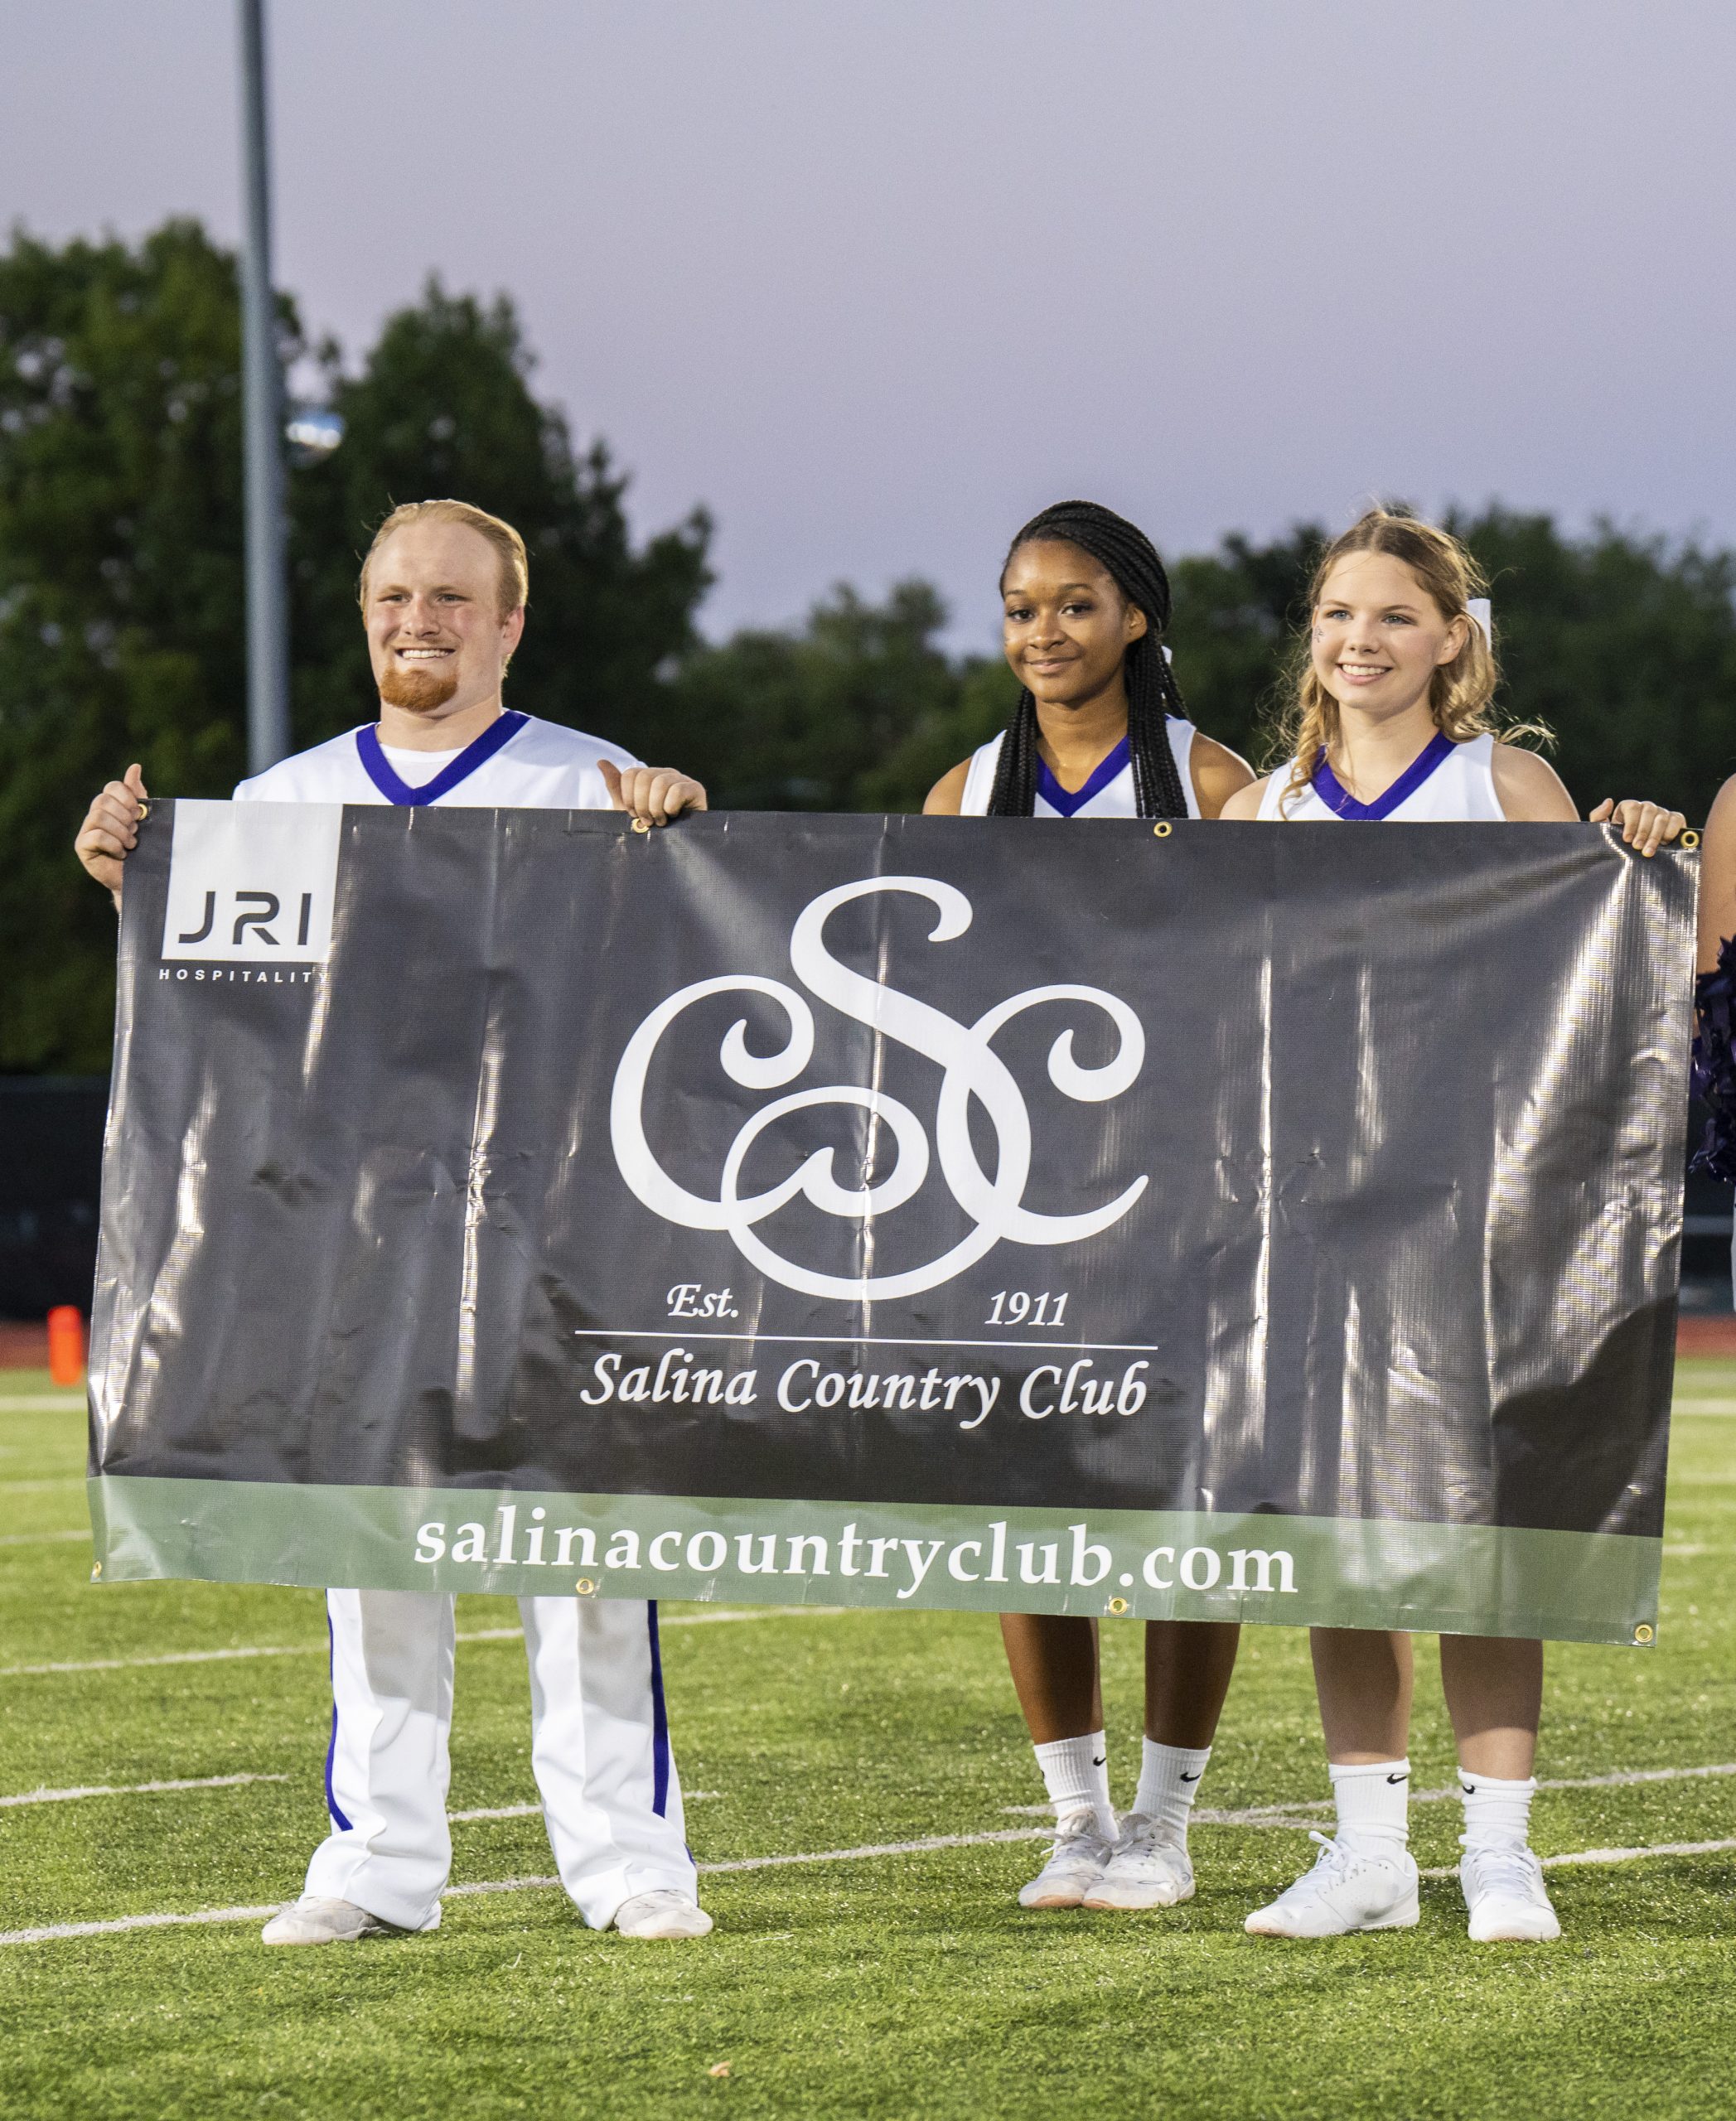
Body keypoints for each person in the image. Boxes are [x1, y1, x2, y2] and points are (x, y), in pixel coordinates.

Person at [75, 498, 715, 1946]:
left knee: (586, 1552)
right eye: (392, 596)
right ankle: (379, 1860)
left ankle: (627, 1860)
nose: (416, 621)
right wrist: (133, 873)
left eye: (449, 598)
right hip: (349, 1237)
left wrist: (677, 832)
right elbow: (222, 1018)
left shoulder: (586, 783)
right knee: (372, 1540)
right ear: (363, 611)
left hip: (551, 1229)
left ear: (508, 624)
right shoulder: (275, 803)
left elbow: (670, 985)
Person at [1219, 506, 1682, 1945]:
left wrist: (1640, 844)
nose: (1362, 641)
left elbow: (1592, 984)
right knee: (1335, 1539)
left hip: (1478, 1223)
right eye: (1339, 616)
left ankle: (1500, 1854)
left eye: (1396, 618)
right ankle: (1369, 1855)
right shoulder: (1262, 819)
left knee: (1484, 1530)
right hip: (1307, 1225)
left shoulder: (1508, 783)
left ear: (1453, 643)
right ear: (1313, 639)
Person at [926, 499, 1255, 1913]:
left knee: (1192, 1504)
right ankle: (1075, 1819)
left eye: (1071, 604)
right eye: (1017, 606)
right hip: (1021, 1202)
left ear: (1135, 616)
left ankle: (1167, 1825)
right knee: (1030, 1507)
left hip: (1185, 1191)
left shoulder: (1214, 777)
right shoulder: (961, 795)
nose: (1041, 632)